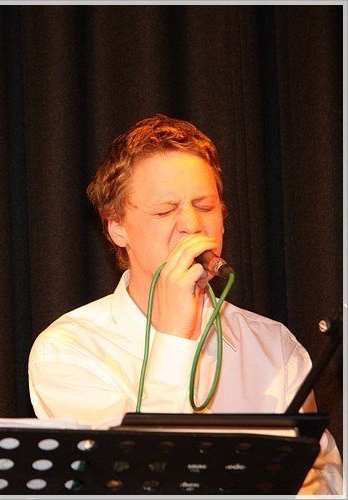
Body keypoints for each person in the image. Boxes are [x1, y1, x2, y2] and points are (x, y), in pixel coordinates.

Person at [28, 114, 343, 494]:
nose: (192, 225)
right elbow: (139, 480)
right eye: (165, 210)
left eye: (205, 206)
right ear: (116, 227)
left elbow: (325, 476)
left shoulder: (273, 345)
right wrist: (174, 335)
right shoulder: (68, 350)